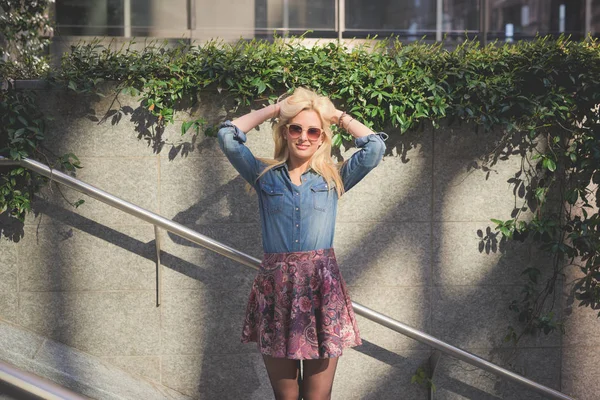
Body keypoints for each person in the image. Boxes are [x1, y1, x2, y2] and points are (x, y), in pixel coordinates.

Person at [217, 87, 386, 400]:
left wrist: (334, 115)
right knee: (287, 397)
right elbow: (228, 136)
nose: (304, 136)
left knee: (318, 397)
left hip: (323, 289)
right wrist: (278, 108)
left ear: (322, 138)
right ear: (286, 132)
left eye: (313, 131)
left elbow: (374, 148)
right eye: (296, 128)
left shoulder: (333, 178)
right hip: (276, 289)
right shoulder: (264, 176)